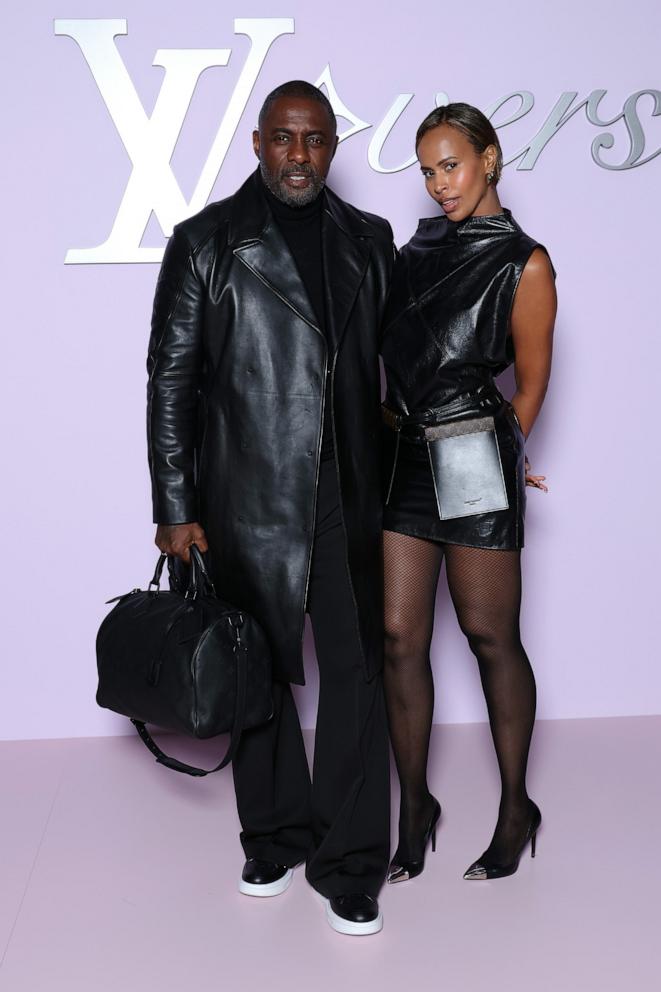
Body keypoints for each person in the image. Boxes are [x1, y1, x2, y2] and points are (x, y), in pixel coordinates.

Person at [146, 80, 395, 935]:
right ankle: (275, 835)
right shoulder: (206, 242)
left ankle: (352, 860)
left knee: (358, 674)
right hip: (245, 498)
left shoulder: (370, 240)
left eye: (316, 139)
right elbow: (172, 380)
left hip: (350, 497)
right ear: (257, 144)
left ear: (332, 148)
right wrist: (174, 502)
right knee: (256, 670)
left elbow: (392, 373)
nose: (299, 154)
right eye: (284, 139)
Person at [380, 103, 556, 883]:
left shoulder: (525, 261)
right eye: (426, 169)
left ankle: (516, 807)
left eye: (449, 164)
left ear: (488, 159)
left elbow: (530, 385)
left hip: (470, 453)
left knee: (489, 637)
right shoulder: (411, 251)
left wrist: (502, 457)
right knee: (397, 637)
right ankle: (414, 806)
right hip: (402, 453)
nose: (437, 183)